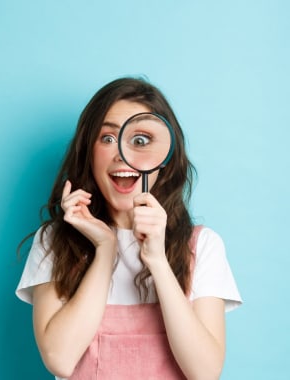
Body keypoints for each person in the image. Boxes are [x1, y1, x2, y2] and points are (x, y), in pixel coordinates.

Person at [16, 77, 242, 380]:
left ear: (165, 159)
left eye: (141, 140)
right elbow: (60, 358)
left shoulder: (202, 247)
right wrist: (105, 248)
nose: (122, 153)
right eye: (107, 139)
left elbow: (205, 372)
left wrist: (158, 262)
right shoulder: (54, 241)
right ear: (89, 152)